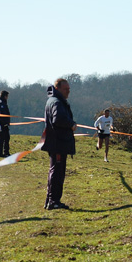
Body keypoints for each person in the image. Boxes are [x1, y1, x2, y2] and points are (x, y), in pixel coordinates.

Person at [41, 79, 76, 210]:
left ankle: (51, 199)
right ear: (58, 88)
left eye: (69, 89)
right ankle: (53, 201)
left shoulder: (53, 100)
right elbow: (58, 119)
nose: (68, 92)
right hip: (58, 142)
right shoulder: (56, 102)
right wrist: (71, 124)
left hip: (57, 142)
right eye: (66, 89)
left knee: (55, 171)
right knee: (57, 172)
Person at [0, 90, 11, 157]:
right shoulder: (1, 103)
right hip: (2, 124)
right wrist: (5, 123)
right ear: (5, 96)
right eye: (7, 96)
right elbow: (2, 114)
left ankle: (4, 152)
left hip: (1, 123)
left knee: (5, 138)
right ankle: (2, 153)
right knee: (3, 138)